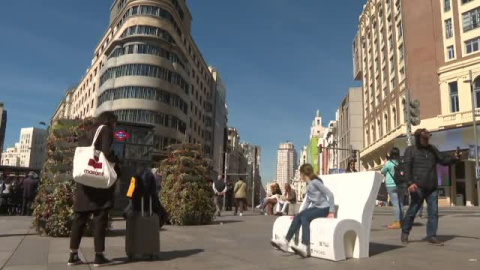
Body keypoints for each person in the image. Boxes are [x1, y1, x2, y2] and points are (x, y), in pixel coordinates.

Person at [68, 111, 119, 267]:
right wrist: (117, 161)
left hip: (84, 182)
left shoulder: (87, 132)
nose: (116, 125)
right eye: (116, 122)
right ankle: (99, 256)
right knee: (100, 218)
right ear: (110, 121)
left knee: (79, 219)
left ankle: (73, 255)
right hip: (98, 182)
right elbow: (107, 152)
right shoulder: (106, 130)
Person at [401, 129, 460, 246]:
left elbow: (443, 160)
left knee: (433, 212)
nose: (427, 140)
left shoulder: (432, 149)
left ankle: (431, 236)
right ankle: (405, 232)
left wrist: (454, 158)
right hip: (418, 186)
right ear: (418, 138)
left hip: (432, 186)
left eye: (428, 138)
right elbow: (406, 168)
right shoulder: (411, 150)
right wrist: (410, 183)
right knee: (413, 210)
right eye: (424, 138)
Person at [271, 163, 335, 258]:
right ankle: (285, 242)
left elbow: (330, 194)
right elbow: (307, 201)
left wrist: (331, 211)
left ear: (304, 173)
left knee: (305, 217)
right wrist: (299, 214)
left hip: (324, 208)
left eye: (301, 174)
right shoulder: (309, 185)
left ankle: (304, 247)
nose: (300, 176)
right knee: (299, 216)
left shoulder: (316, 182)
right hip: (316, 208)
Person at [381, 147, 405, 229]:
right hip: (401, 185)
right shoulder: (400, 162)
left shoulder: (388, 163)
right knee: (401, 203)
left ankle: (398, 222)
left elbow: (382, 171)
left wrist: (385, 163)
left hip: (391, 185)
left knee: (395, 204)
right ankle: (402, 221)